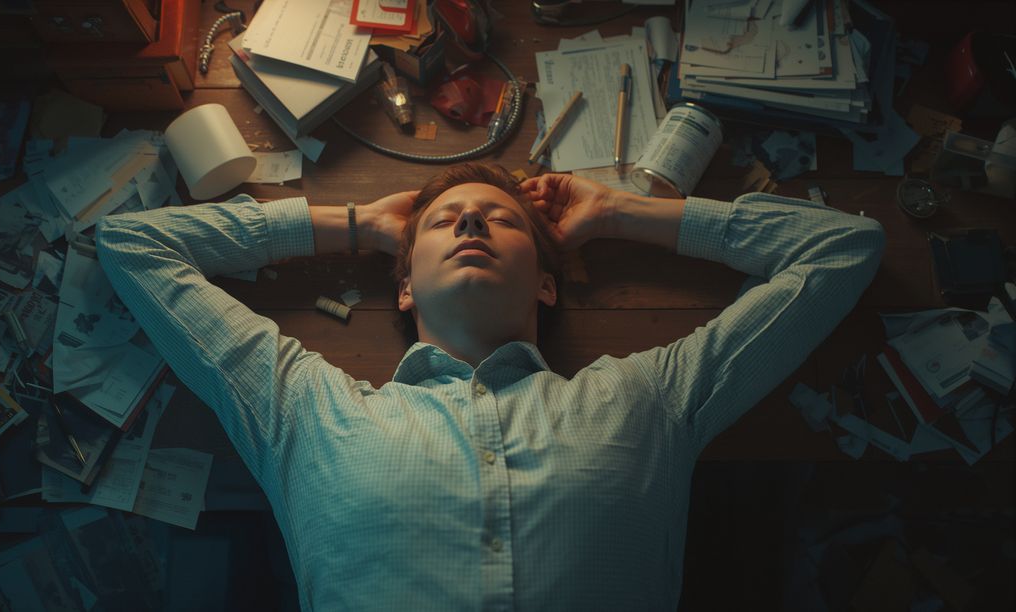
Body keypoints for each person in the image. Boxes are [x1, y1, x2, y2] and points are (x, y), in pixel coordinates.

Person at [96, 162, 884, 611]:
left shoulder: (647, 400)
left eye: (499, 220)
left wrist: (621, 212)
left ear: (547, 284)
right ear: (402, 288)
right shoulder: (304, 408)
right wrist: (354, 222)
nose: (470, 221)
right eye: (444, 222)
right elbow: (132, 244)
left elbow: (843, 249)